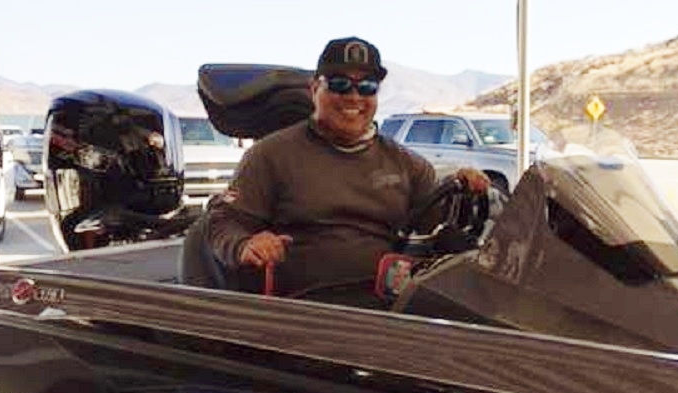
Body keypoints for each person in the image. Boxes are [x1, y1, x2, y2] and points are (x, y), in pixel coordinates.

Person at [198, 36, 490, 307]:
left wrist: (465, 191)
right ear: (315, 89)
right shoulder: (271, 155)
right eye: (339, 84)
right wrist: (245, 244)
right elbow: (223, 221)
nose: (354, 97)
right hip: (303, 309)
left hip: (390, 305)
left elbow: (439, 225)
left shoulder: (408, 164)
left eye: (367, 87)